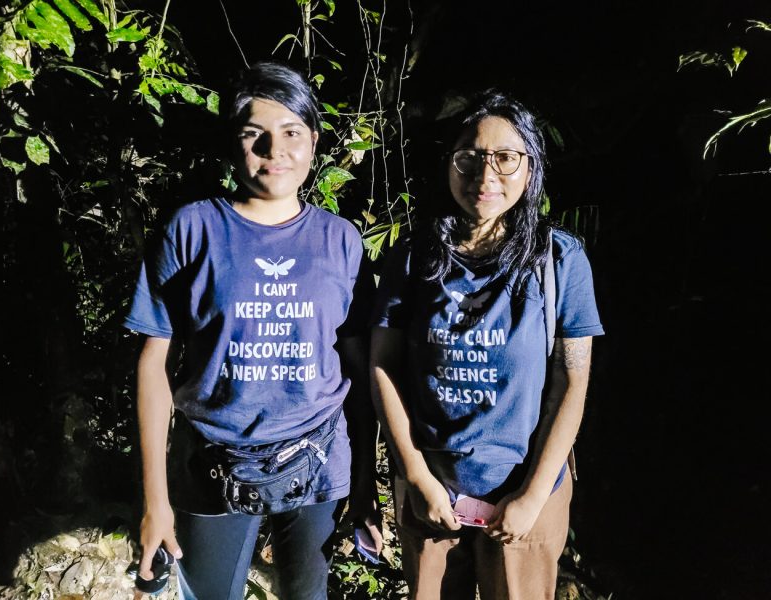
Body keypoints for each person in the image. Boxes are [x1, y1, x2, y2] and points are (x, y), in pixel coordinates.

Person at [124, 60, 380, 600]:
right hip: (212, 462)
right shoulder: (193, 230)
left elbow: (360, 374)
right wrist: (155, 502)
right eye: (254, 134)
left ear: (313, 141)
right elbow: (153, 363)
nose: (274, 150)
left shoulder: (341, 242)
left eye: (291, 133)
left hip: (318, 464)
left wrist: (363, 488)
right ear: (233, 144)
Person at [369, 90, 605, 600]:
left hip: (524, 491)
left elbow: (573, 378)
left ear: (530, 167)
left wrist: (534, 494)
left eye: (506, 158)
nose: (486, 173)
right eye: (470, 157)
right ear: (449, 164)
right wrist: (414, 475)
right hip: (433, 488)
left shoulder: (559, 260)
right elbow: (383, 366)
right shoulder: (414, 256)